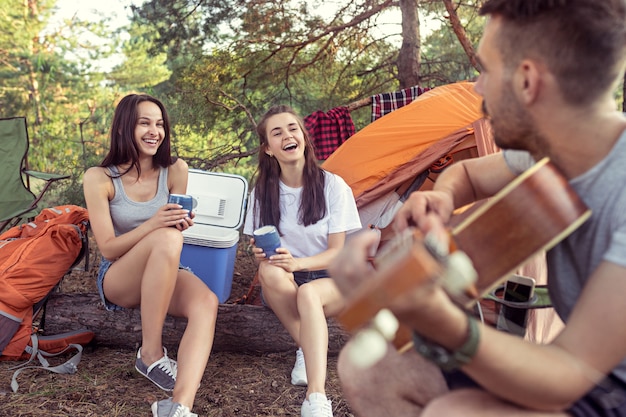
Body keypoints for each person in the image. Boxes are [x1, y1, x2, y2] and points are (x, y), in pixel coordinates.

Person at [329, 0, 626, 416]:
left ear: (527, 82)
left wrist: (443, 323)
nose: (476, 88)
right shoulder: (557, 150)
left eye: (486, 70)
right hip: (575, 370)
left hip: (604, 387)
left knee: (455, 412)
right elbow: (468, 175)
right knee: (372, 372)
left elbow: (568, 373)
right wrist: (441, 198)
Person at [83, 93, 218, 417]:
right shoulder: (99, 178)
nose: (154, 131)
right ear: (123, 128)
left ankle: (179, 406)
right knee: (167, 238)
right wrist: (159, 224)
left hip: (166, 264)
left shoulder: (175, 170)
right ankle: (151, 353)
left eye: (159, 124)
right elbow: (108, 247)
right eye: (144, 123)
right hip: (119, 275)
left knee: (206, 302)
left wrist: (178, 223)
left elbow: (173, 232)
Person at [243, 104, 361, 417]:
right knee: (267, 268)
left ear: (304, 137)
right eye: (277, 133)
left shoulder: (332, 185)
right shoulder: (261, 193)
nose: (287, 136)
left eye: (292, 128)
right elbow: (262, 252)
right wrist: (259, 253)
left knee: (310, 293)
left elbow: (338, 250)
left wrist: (298, 264)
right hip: (285, 283)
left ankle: (316, 397)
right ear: (268, 149)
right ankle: (307, 346)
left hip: (332, 280)